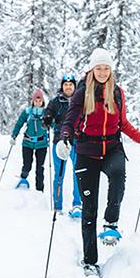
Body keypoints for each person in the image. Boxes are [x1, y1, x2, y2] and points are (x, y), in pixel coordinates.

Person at [57, 48, 140, 276]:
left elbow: (124, 124)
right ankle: (90, 261)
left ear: (110, 70)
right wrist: (65, 139)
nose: (102, 72)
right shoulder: (81, 92)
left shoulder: (117, 92)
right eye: (98, 67)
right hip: (86, 151)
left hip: (112, 148)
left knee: (118, 174)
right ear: (92, 69)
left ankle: (111, 223)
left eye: (106, 68)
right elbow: (69, 120)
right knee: (89, 209)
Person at [43, 74, 82, 217]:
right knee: (59, 174)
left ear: (74, 87)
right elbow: (47, 113)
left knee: (78, 173)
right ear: (62, 87)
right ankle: (57, 206)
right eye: (65, 85)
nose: (68, 87)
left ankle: (77, 204)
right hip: (59, 142)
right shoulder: (55, 102)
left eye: (71, 85)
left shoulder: (80, 101)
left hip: (77, 142)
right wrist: (47, 119)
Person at [10, 89, 49, 191]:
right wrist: (14, 135)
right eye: (36, 101)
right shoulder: (27, 112)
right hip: (27, 143)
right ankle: (22, 180)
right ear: (33, 101)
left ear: (43, 102)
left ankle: (39, 190)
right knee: (27, 165)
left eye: (40, 101)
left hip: (42, 144)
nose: (38, 103)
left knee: (39, 168)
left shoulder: (46, 113)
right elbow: (19, 124)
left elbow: (53, 124)